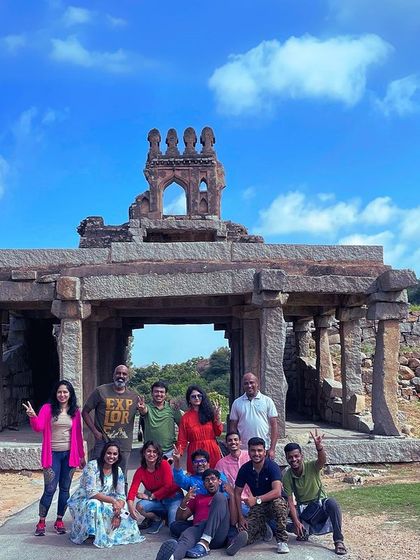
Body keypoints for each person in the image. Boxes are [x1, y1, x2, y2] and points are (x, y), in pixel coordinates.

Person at [23, 379, 85, 536]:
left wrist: (82, 456)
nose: (62, 395)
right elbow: (39, 428)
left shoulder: (75, 411)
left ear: (70, 394)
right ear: (55, 394)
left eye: (65, 392)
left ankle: (59, 520)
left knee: (65, 489)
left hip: (69, 456)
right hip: (52, 455)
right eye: (60, 392)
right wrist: (32, 416)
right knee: (50, 489)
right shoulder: (47, 409)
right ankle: (42, 522)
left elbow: (78, 434)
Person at [67, 441, 144, 548]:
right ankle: (90, 533)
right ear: (104, 453)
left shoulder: (118, 470)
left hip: (106, 499)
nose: (111, 456)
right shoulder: (92, 466)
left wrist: (118, 513)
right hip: (85, 499)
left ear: (118, 456)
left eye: (114, 454)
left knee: (124, 506)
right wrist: (113, 501)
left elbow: (121, 495)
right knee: (94, 504)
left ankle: (113, 534)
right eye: (109, 453)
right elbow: (91, 492)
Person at [282, 430, 347, 556]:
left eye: (296, 456)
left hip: (320, 505)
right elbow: (290, 500)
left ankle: (338, 541)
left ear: (302, 456)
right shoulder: (287, 476)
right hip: (304, 511)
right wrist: (296, 522)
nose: (294, 459)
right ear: (286, 458)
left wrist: (319, 448)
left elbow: (322, 460)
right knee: (284, 520)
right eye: (290, 457)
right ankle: (302, 531)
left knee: (332, 503)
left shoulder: (312, 466)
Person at [227, 437, 289, 555]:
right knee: (248, 529)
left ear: (264, 452)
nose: (256, 454)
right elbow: (237, 492)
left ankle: (282, 541)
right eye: (253, 450)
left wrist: (256, 499)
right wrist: (241, 517)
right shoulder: (245, 469)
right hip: (259, 505)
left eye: (259, 450)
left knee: (278, 504)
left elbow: (277, 492)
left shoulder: (272, 467)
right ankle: (256, 533)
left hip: (276, 503)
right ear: (249, 452)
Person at [156, 469, 237, 560]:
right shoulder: (198, 498)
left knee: (219, 497)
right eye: (207, 480)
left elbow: (233, 522)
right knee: (185, 537)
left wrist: (232, 495)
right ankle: (171, 557)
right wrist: (184, 502)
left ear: (219, 481)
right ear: (204, 484)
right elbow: (179, 519)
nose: (210, 482)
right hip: (198, 530)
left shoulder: (224, 498)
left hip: (217, 535)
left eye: (213, 479)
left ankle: (206, 543)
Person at [82, 364, 140, 480]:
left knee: (121, 477)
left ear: (128, 377)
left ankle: (120, 498)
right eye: (118, 373)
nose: (121, 376)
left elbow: (144, 413)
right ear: (113, 375)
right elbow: (85, 412)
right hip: (103, 441)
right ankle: (96, 498)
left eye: (124, 374)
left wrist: (143, 410)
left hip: (123, 444)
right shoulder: (101, 391)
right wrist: (95, 432)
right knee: (95, 475)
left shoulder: (134, 396)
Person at [127, 440, 183, 534]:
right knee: (140, 506)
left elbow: (168, 486)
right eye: (148, 451)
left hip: (174, 498)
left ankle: (169, 516)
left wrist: (150, 497)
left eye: (154, 452)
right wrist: (130, 508)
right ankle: (157, 519)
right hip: (159, 501)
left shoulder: (164, 464)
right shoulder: (140, 471)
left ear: (158, 454)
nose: (151, 454)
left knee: (174, 528)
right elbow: (132, 491)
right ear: (144, 453)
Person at [171, 447, 228, 538]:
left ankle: (198, 535)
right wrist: (177, 461)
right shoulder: (191, 480)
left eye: (203, 461)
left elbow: (227, 494)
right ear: (193, 465)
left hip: (218, 518)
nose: (200, 464)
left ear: (208, 463)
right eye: (196, 462)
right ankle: (201, 533)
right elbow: (179, 479)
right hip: (200, 519)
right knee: (175, 526)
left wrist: (215, 500)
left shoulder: (219, 476)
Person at [229, 372, 278, 460]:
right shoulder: (237, 403)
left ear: (257, 383)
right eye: (246, 383)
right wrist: (235, 448)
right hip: (244, 449)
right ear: (243, 385)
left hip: (263, 449)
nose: (249, 385)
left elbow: (274, 426)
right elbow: (233, 427)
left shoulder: (267, 401)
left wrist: (272, 449)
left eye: (252, 382)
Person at [177, 385, 223, 473]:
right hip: (195, 451)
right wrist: (178, 453)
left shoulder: (210, 413)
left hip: (211, 450)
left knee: (213, 478)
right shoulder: (185, 418)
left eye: (199, 396)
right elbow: (182, 440)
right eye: (193, 396)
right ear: (189, 399)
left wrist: (218, 418)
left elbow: (218, 433)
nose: (197, 398)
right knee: (196, 479)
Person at [137, 380, 182, 460]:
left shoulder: (173, 408)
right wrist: (141, 408)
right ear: (152, 393)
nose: (159, 394)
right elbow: (144, 411)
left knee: (169, 473)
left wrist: (180, 446)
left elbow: (182, 426)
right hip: (151, 452)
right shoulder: (147, 407)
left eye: (162, 392)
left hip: (169, 451)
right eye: (156, 391)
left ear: (165, 394)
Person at [215, 431, 250, 515]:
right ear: (226, 444)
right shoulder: (221, 464)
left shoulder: (249, 456)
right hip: (236, 501)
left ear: (240, 442)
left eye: (235, 439)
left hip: (255, 497)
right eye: (230, 440)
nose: (233, 442)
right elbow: (218, 484)